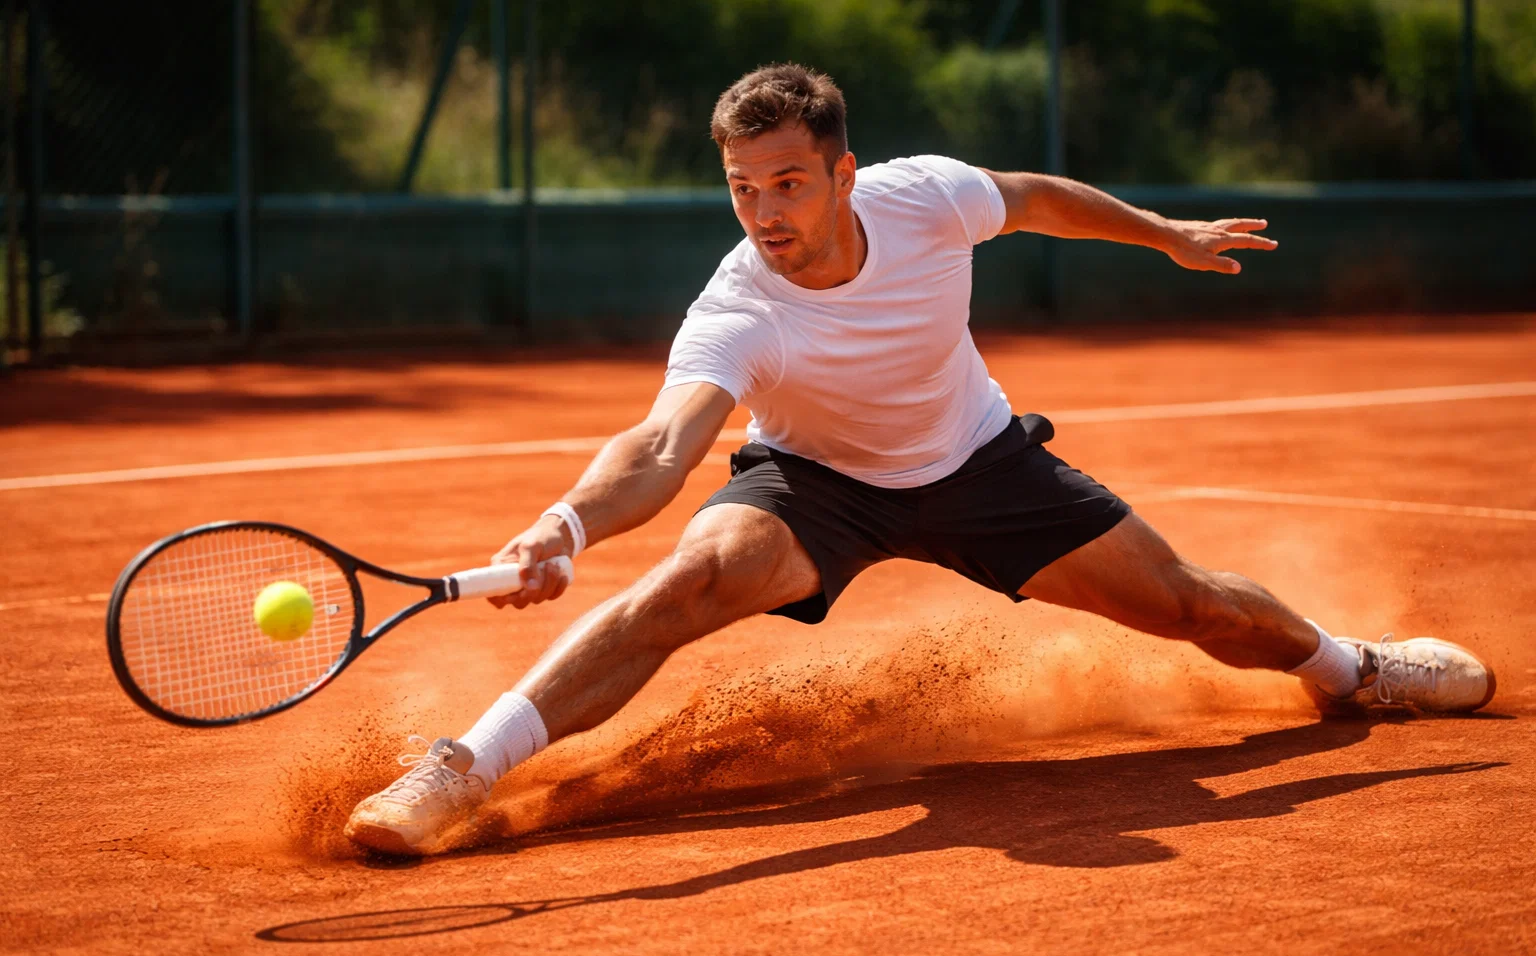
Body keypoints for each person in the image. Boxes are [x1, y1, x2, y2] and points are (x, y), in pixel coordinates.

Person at [344, 64, 1495, 856]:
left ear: (846, 174)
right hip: (818, 488)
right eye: (743, 189)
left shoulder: (926, 199)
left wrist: (1167, 235)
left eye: (788, 183)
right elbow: (659, 443)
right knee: (682, 584)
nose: (764, 212)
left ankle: (1354, 668)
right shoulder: (739, 305)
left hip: (980, 465)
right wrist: (566, 524)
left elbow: (1038, 197)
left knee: (1195, 605)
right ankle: (460, 768)